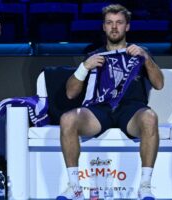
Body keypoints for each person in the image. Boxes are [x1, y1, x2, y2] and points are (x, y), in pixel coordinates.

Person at [56, 4, 164, 200]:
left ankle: (145, 186)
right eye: (110, 23)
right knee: (67, 119)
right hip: (100, 111)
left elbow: (159, 84)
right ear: (104, 27)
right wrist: (84, 66)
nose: (114, 27)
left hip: (132, 110)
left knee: (150, 117)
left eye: (119, 23)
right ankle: (74, 186)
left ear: (127, 27)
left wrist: (146, 58)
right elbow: (71, 93)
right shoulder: (94, 54)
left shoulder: (140, 53)